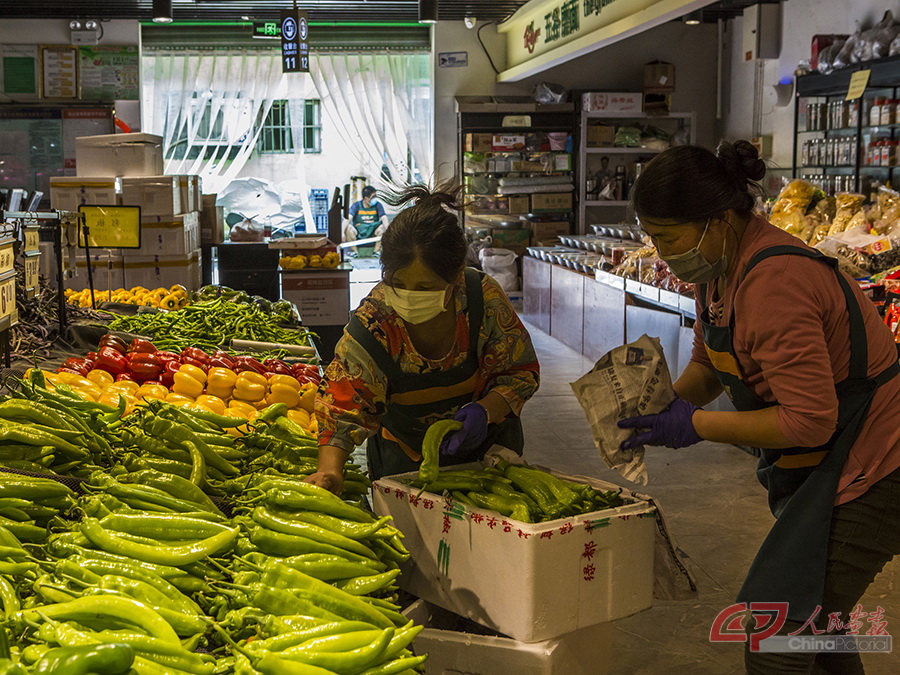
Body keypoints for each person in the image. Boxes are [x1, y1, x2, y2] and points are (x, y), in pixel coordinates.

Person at [619, 140, 900, 675]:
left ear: (719, 220)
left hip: (878, 466)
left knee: (780, 639)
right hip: (835, 464)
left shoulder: (775, 281)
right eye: (651, 236)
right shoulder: (719, 270)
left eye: (667, 236)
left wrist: (696, 425)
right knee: (819, 631)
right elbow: (710, 360)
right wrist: (667, 405)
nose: (660, 252)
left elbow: (809, 419)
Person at [308, 183, 541, 494]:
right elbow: (341, 401)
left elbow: (519, 372)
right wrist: (329, 471)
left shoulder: (482, 301)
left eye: (425, 288)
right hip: (404, 460)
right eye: (397, 283)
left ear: (457, 276)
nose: (408, 297)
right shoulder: (375, 321)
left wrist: (486, 410)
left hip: (488, 456)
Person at [342, 185, 390, 254]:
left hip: (373, 233)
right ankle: (355, 252)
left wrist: (389, 231)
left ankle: (376, 252)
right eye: (373, 197)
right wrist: (342, 233)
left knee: (383, 227)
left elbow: (384, 218)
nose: (375, 198)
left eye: (375, 196)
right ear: (366, 198)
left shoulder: (378, 205)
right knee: (348, 228)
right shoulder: (356, 206)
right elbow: (347, 218)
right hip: (359, 234)